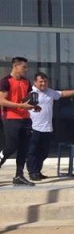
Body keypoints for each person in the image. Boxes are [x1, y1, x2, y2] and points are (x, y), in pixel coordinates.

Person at [26, 73, 74, 181]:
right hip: (33, 127)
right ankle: (32, 172)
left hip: (47, 128)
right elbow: (21, 105)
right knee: (32, 151)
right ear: (35, 82)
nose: (43, 84)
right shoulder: (30, 93)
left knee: (44, 152)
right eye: (41, 82)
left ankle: (38, 171)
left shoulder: (50, 92)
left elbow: (63, 94)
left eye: (45, 81)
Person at [0, 57, 42, 186]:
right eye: (24, 67)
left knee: (24, 148)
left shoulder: (26, 82)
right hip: (11, 118)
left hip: (25, 118)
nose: (26, 69)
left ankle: (19, 176)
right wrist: (21, 106)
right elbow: (2, 101)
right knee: (10, 147)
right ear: (16, 66)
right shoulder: (5, 81)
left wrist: (34, 105)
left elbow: (26, 99)